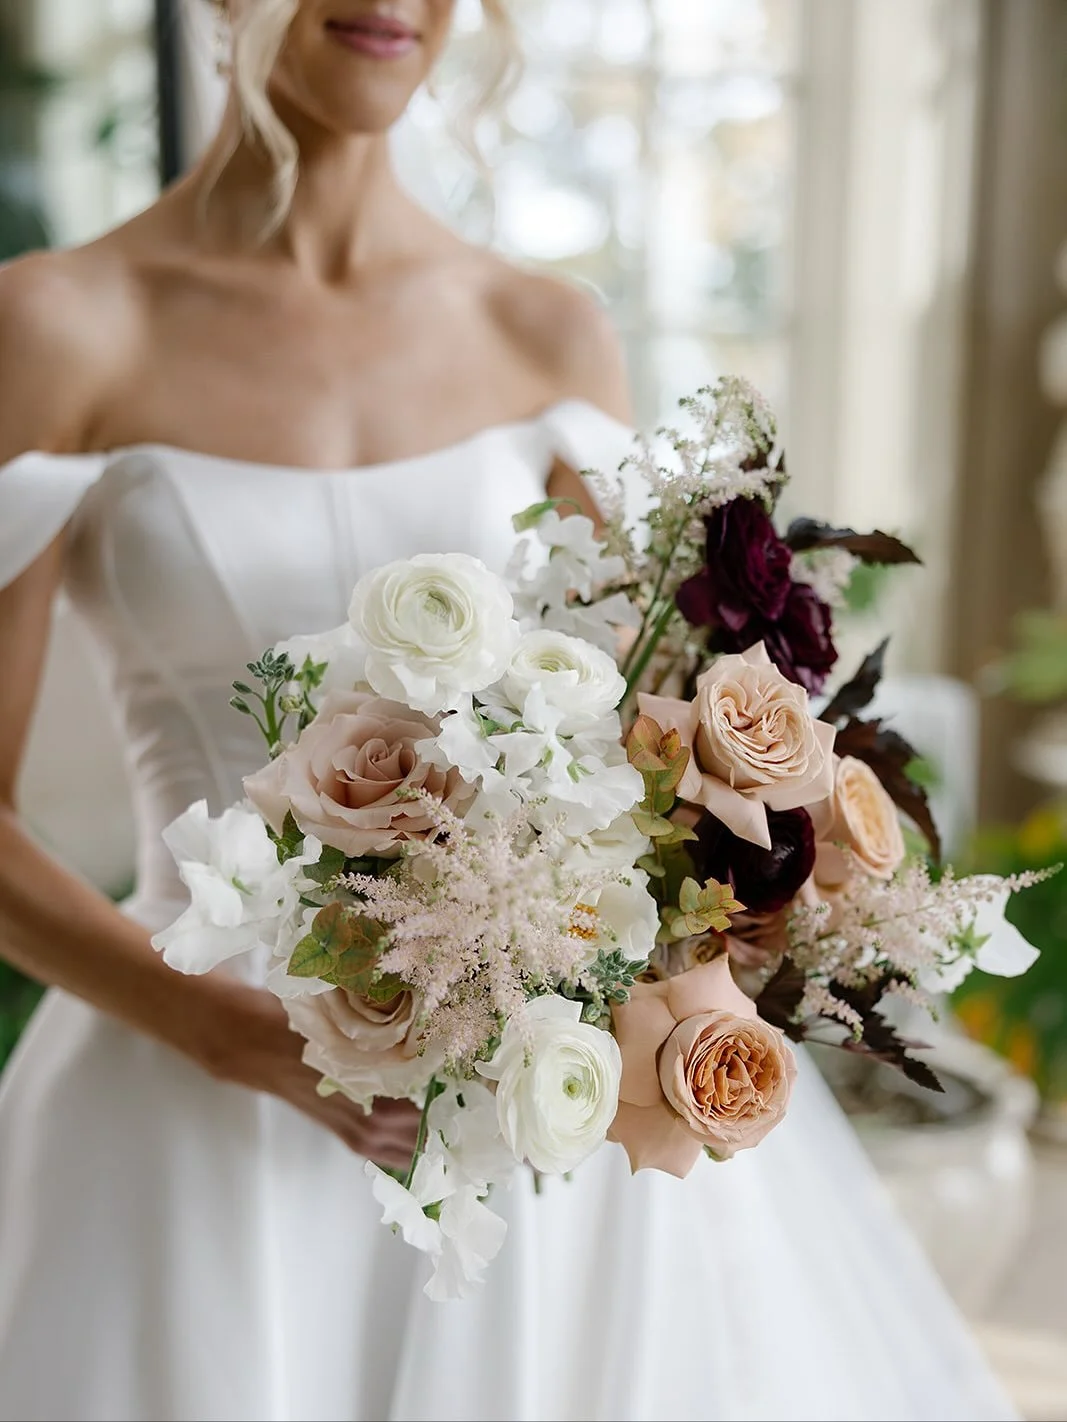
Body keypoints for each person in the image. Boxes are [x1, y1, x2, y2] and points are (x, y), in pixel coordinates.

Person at [0, 3, 1020, 1419]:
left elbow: (637, 742)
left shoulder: (542, 330)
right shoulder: (53, 323)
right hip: (184, 1101)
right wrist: (230, 1035)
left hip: (527, 1113)